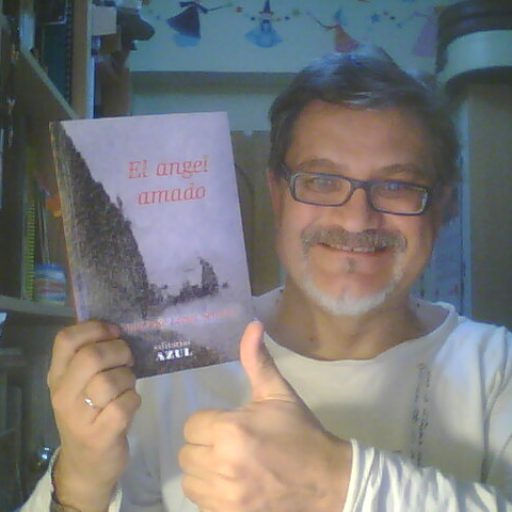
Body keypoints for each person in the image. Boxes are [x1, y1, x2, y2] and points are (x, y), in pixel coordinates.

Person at [23, 48, 512, 512]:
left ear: (443, 204)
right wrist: (81, 480)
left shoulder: (497, 371)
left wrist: (335, 483)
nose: (356, 219)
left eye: (397, 186)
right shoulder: (174, 361)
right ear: (277, 194)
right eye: (321, 180)